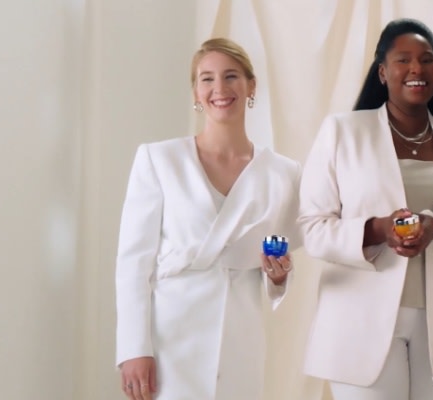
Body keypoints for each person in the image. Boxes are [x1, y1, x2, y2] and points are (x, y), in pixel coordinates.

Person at [297, 18, 433, 400]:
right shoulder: (342, 132)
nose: (416, 69)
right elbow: (313, 227)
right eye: (403, 60)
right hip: (358, 326)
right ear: (382, 72)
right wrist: (377, 229)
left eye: (427, 59)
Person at [115, 38, 301, 400]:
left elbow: (280, 255)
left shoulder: (283, 173)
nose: (219, 88)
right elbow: (133, 263)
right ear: (196, 92)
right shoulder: (159, 160)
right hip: (170, 335)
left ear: (251, 86)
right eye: (206, 79)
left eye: (231, 76)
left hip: (240, 336)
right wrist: (134, 348)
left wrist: (278, 276)